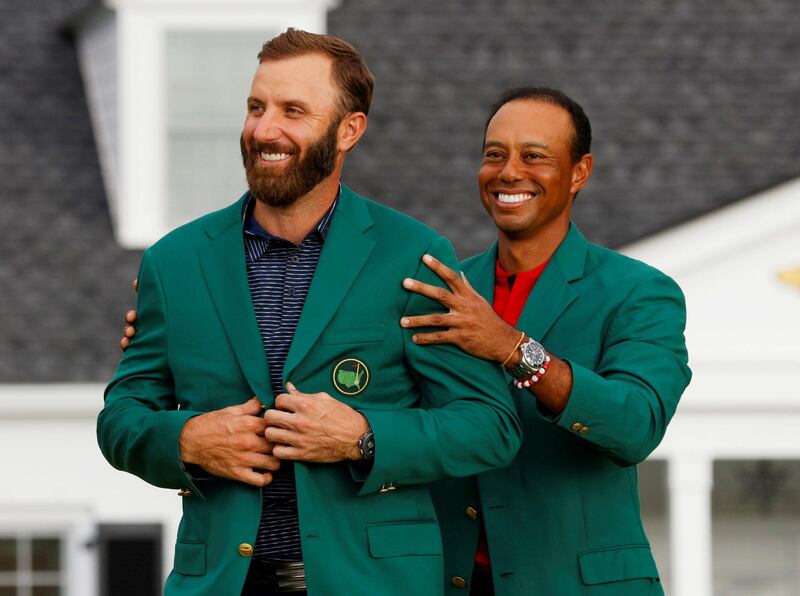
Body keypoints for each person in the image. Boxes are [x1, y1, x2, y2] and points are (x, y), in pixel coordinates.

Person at [98, 29, 521, 596]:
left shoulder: (413, 256)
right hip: (222, 581)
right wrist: (186, 440)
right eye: (256, 107)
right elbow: (122, 416)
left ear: (348, 130)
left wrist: (365, 438)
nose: (264, 130)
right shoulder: (174, 262)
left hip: (376, 583)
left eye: (293, 111)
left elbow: (489, 427)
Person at [399, 88, 691, 595]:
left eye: (534, 156)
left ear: (580, 172)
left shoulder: (640, 292)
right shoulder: (441, 293)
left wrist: (514, 350)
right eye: (495, 155)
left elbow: (636, 425)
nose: (510, 172)